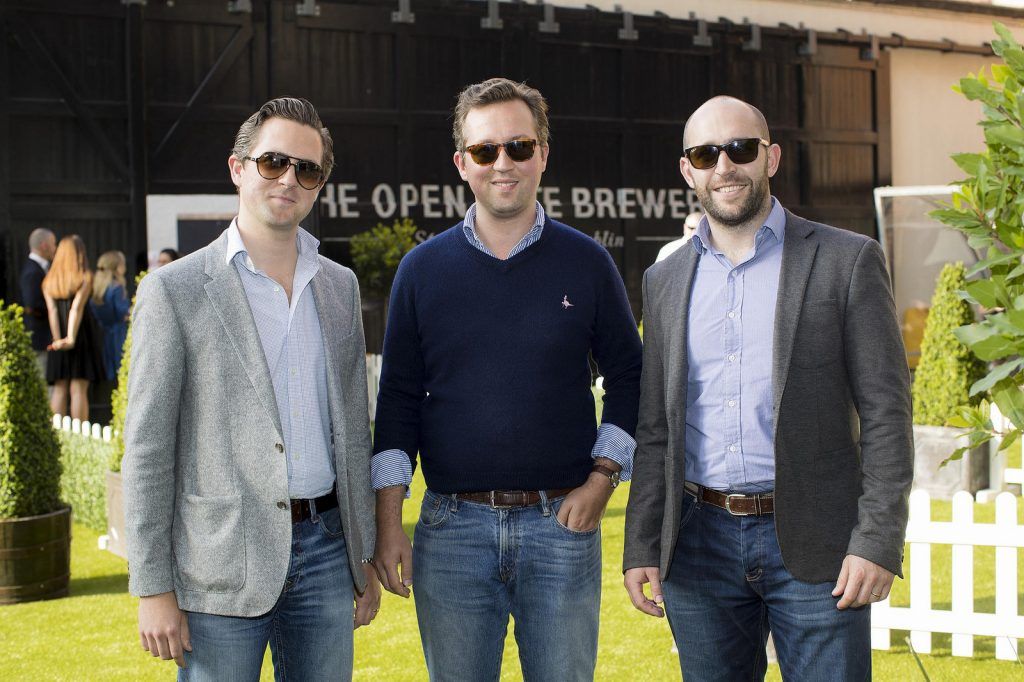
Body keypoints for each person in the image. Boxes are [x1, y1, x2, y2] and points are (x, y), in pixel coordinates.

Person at [622, 95, 913, 681]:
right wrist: (641, 544)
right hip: (698, 544)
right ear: (688, 171)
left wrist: (877, 538)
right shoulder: (665, 278)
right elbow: (656, 426)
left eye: (740, 148)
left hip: (817, 543)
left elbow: (886, 413)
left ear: (771, 157)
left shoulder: (846, 260)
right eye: (706, 154)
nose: (724, 166)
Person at [371, 78, 642, 681]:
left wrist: (602, 480)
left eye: (519, 147)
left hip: (562, 531)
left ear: (544, 154)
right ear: (461, 163)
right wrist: (389, 524)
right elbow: (396, 404)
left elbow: (630, 376)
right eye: (486, 150)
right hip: (451, 531)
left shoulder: (587, 262)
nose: (503, 164)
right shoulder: (421, 271)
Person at [121, 96, 380, 679]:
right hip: (218, 566)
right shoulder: (175, 291)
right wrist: (153, 587)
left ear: (318, 187)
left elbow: (352, 432)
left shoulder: (339, 287)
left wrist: (359, 558)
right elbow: (148, 449)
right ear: (238, 168)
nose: (289, 178)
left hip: (326, 554)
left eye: (307, 169)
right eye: (272, 162)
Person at [42, 235, 104, 421]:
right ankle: (80, 436)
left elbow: (52, 310)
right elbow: (76, 308)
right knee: (78, 388)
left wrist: (58, 339)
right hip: (80, 334)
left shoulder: (49, 281)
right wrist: (70, 338)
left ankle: (57, 435)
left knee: (59, 388)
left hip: (57, 337)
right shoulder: (85, 277)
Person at [20, 228, 56, 378]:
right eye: (54, 244)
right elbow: (32, 304)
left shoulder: (39, 268)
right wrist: (54, 310)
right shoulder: (33, 271)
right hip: (39, 337)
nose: (55, 248)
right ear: (44, 245)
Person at [89, 250, 131, 381]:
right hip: (120, 334)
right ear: (118, 266)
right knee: (123, 370)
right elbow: (123, 312)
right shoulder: (117, 288)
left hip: (103, 335)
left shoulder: (97, 289)